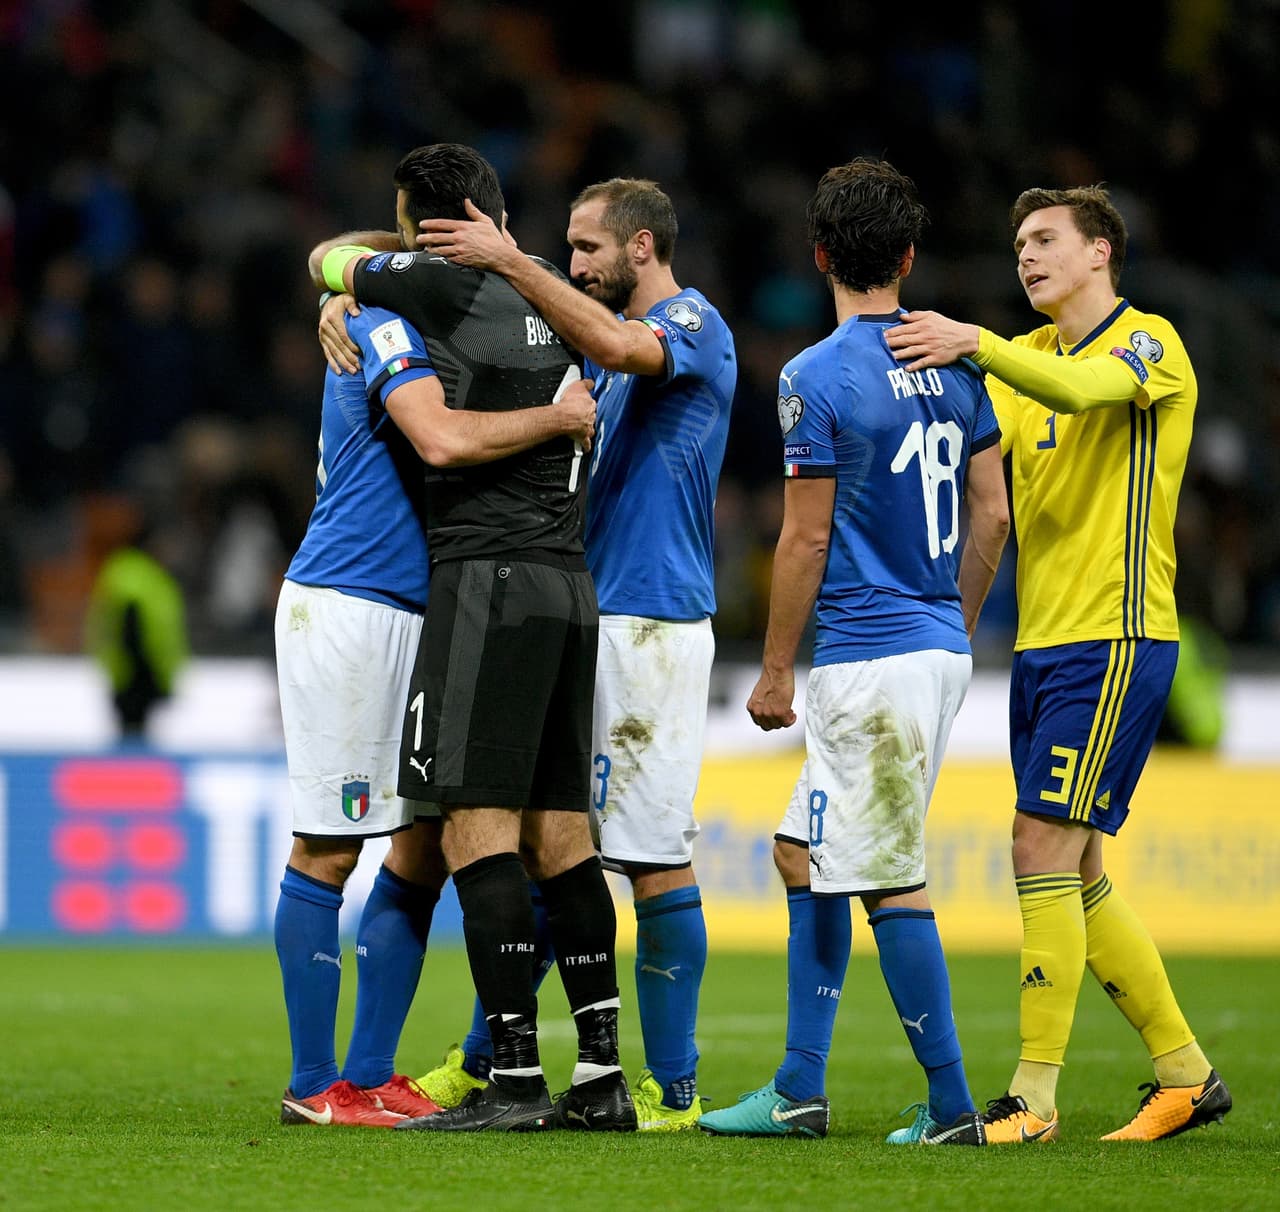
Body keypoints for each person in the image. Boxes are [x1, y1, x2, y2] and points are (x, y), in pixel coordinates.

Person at [884, 184, 1231, 1143]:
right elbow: (969, 459)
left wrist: (973, 341)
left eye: (1045, 240)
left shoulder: (1150, 344)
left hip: (1116, 636)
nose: (1027, 257)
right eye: (1019, 245)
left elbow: (1081, 391)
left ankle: (1033, 1099)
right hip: (1042, 647)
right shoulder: (1025, 358)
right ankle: (1186, 1075)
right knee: (1075, 873)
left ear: (1100, 253)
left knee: (1036, 847)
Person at [311, 142, 633, 1133]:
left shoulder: (439, 286)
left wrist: (348, 284)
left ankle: (515, 1080)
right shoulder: (560, 300)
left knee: (472, 831)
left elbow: (325, 257)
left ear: (428, 227)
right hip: (568, 583)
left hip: (486, 580)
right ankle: (601, 1079)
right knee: (562, 838)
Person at [697, 157, 1009, 1144]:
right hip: (931, 644)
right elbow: (994, 515)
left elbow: (803, 537)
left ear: (820, 255)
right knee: (800, 853)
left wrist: (774, 669)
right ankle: (799, 1086)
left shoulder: (814, 375)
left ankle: (951, 1106)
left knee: (887, 876)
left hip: (868, 654)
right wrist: (951, 628)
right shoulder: (958, 366)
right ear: (908, 257)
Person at [417, 176, 737, 1130]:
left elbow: (621, 348)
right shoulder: (592, 335)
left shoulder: (690, 324)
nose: (574, 264)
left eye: (588, 247)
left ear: (642, 247)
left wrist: (513, 262)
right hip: (587, 610)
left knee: (652, 856)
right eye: (565, 247)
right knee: (553, 846)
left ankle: (672, 1086)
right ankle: (499, 1060)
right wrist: (342, 297)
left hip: (653, 622)